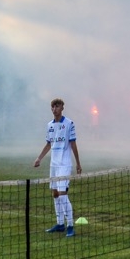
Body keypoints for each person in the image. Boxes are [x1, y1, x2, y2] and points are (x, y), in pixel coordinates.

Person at [34, 98, 82, 237]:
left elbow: (73, 144)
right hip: (54, 165)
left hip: (64, 165)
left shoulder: (69, 124)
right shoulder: (49, 125)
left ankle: (70, 226)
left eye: (57, 106)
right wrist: (39, 158)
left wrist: (78, 164)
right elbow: (49, 144)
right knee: (55, 195)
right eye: (53, 106)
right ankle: (60, 224)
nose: (55, 108)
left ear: (62, 108)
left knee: (62, 195)